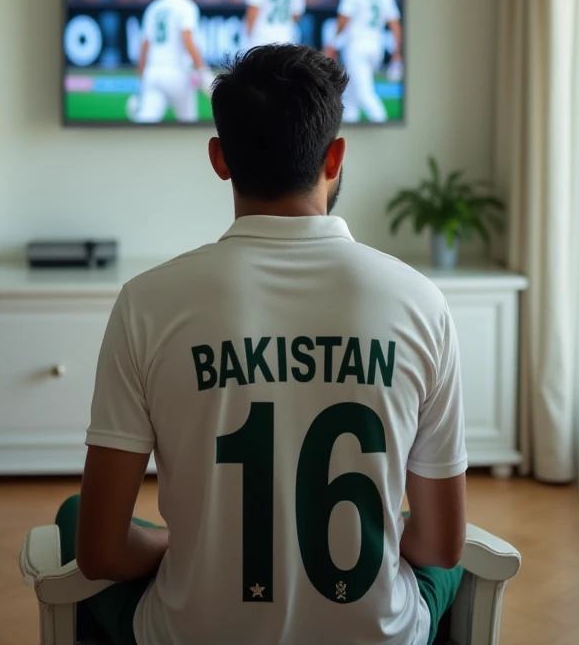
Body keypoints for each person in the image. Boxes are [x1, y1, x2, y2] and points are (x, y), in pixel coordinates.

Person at [54, 43, 468, 645]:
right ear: (336, 158)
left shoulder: (147, 302)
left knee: (74, 518)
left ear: (220, 159)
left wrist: (182, 543)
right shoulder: (421, 302)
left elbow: (100, 552)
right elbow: (439, 545)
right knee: (451, 545)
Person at [129, 0, 212, 124]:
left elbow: (145, 44)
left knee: (146, 122)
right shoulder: (186, 6)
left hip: (153, 72)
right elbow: (187, 38)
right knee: (188, 123)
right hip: (177, 72)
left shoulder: (154, 7)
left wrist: (141, 79)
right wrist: (202, 70)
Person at [328, 0, 403, 123]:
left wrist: (333, 42)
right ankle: (349, 124)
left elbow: (343, 20)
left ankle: (382, 123)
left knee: (364, 94)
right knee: (350, 95)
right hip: (376, 46)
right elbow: (395, 24)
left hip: (357, 46)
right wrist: (397, 50)